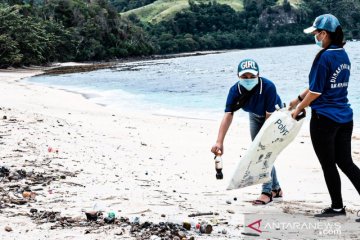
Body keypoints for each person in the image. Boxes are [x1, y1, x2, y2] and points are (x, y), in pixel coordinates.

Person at [289, 14, 360, 217]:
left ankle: (337, 207)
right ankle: (337, 206)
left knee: (328, 164)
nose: (315, 37)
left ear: (324, 33)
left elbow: (316, 92)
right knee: (346, 162)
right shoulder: (342, 55)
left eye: (316, 33)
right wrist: (297, 99)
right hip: (345, 117)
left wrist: (297, 109)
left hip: (324, 120)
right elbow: (318, 86)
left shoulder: (324, 56)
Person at [211, 58, 283, 205]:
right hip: (255, 115)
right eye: (244, 77)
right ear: (238, 76)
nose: (248, 79)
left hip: (274, 116)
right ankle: (276, 189)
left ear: (258, 75)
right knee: (260, 151)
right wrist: (219, 141)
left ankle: (267, 191)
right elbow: (228, 115)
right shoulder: (235, 90)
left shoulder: (268, 87)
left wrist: (264, 142)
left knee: (263, 152)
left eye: (252, 76)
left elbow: (269, 119)